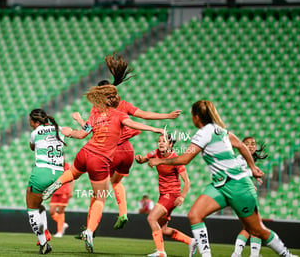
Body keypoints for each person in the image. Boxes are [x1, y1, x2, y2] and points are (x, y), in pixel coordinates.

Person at [147, 100, 298, 257]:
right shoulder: (221, 131)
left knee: (256, 229)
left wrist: (160, 160)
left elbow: (185, 159)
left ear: (196, 117)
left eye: (192, 115)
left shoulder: (203, 133)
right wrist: (252, 167)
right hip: (219, 185)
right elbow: (241, 145)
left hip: (237, 184)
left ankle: (287, 255)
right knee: (194, 215)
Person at [42, 84, 166, 253]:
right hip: (99, 160)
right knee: (100, 197)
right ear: (110, 100)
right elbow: (135, 124)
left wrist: (69, 131)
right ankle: (89, 231)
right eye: (114, 96)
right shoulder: (120, 114)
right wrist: (155, 129)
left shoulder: (95, 116)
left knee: (72, 173)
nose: (117, 98)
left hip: (84, 152)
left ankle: (56, 183)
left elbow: (82, 134)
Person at [73, 52, 181, 230]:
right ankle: (123, 212)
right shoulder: (123, 104)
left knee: (99, 190)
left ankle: (90, 228)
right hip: (128, 152)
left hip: (110, 152)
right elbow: (143, 115)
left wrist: (78, 120)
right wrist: (166, 116)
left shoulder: (97, 109)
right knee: (116, 182)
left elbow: (88, 130)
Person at [135, 133, 197, 257]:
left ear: (171, 144)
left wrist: (182, 196)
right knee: (163, 229)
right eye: (159, 141)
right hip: (163, 195)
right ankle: (191, 241)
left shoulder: (176, 160)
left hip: (172, 195)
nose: (161, 143)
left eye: (164, 141)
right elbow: (143, 160)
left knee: (151, 218)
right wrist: (139, 159)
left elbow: (187, 181)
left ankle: (161, 252)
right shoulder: (155, 153)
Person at [26, 108, 69, 255]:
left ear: (37, 122)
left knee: (32, 208)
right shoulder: (59, 129)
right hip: (58, 173)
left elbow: (32, 147)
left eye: (31, 121)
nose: (30, 124)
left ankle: (43, 243)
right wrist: (84, 124)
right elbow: (80, 134)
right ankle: (46, 232)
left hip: (42, 172)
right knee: (40, 206)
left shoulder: (35, 133)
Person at [232, 136, 268, 257]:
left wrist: (252, 181)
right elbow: (238, 175)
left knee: (249, 227)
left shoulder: (247, 160)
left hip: (243, 194)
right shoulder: (240, 159)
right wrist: (250, 181)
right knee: (257, 226)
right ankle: (253, 254)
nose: (251, 146)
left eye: (253, 144)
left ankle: (237, 253)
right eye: (247, 144)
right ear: (241, 146)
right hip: (243, 195)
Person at [49, 161, 74, 238]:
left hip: (64, 190)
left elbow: (72, 179)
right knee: (52, 211)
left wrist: (71, 190)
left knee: (60, 211)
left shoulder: (67, 166)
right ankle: (62, 224)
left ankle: (60, 231)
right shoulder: (53, 166)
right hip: (55, 190)